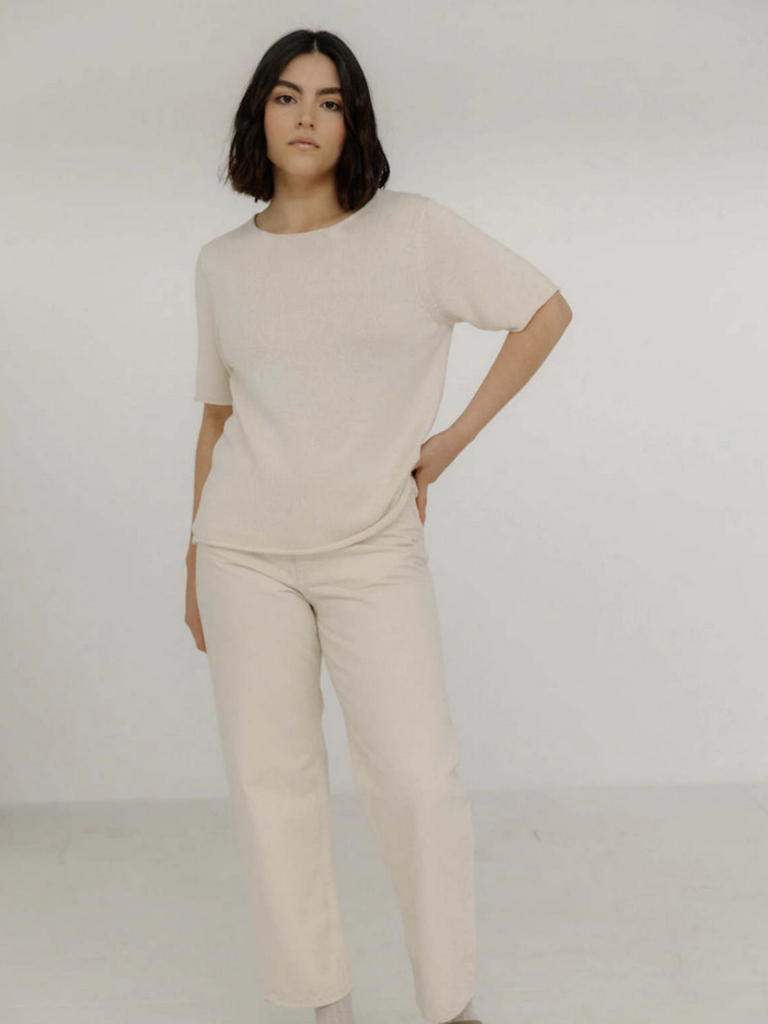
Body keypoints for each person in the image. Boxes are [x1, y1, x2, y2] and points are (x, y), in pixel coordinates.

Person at [184, 27, 572, 1024]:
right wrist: (193, 557)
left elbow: (543, 310)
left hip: (372, 546)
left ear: (354, 121)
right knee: (272, 785)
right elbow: (218, 418)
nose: (305, 117)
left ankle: (450, 1006)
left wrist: (451, 441)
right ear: (259, 115)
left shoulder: (413, 231)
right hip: (243, 551)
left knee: (416, 783)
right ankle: (323, 1004)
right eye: (286, 96)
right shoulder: (223, 263)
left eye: (329, 101)